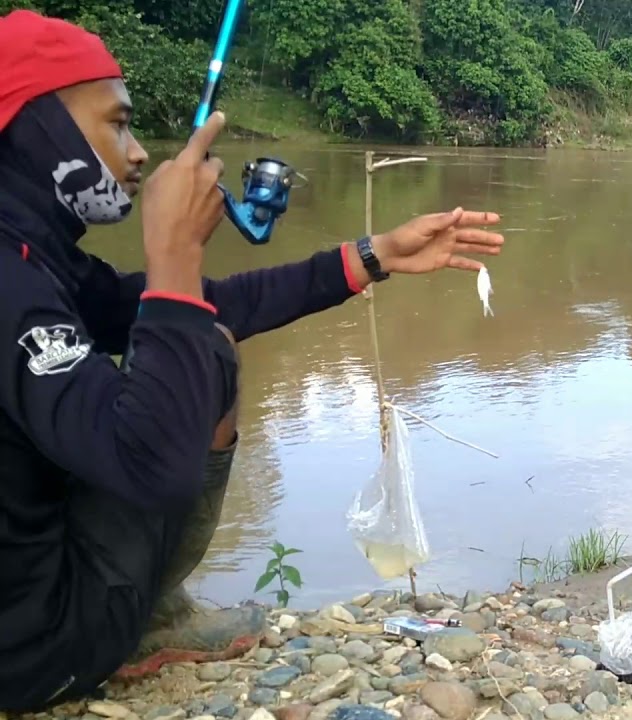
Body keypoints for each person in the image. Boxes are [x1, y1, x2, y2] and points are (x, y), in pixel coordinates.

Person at [0, 10, 506, 712]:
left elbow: (214, 300)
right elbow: (151, 468)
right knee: (199, 353)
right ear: (36, 130)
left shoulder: (31, 257)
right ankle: (148, 620)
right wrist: (174, 252)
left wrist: (374, 256)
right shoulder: (14, 279)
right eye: (117, 125)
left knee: (184, 331)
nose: (139, 153)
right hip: (37, 655)